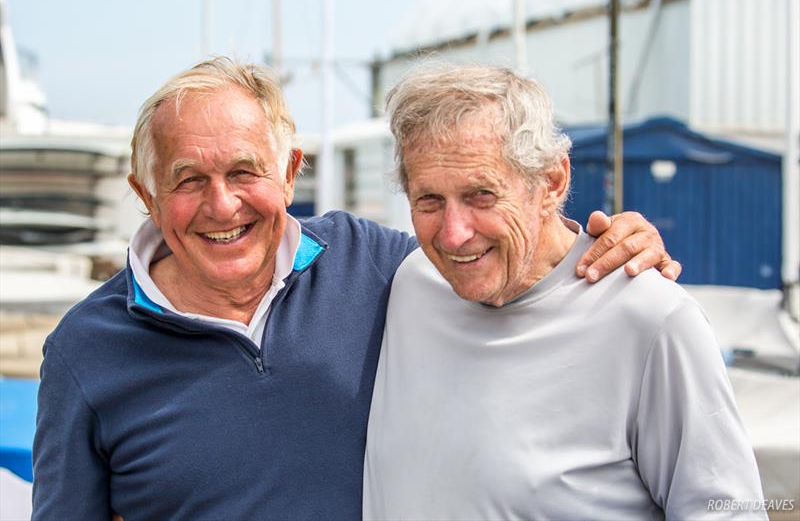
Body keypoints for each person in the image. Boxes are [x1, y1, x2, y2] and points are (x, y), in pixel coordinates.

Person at [33, 58, 678, 520]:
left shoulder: (374, 265)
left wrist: (606, 245)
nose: (221, 204)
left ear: (289, 174)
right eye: (187, 180)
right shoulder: (85, 350)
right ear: (146, 196)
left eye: (243, 171)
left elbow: (492, 253)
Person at [363, 66, 766, 520]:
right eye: (429, 200)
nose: (454, 235)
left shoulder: (651, 320)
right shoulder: (407, 280)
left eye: (481, 195)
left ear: (552, 182)